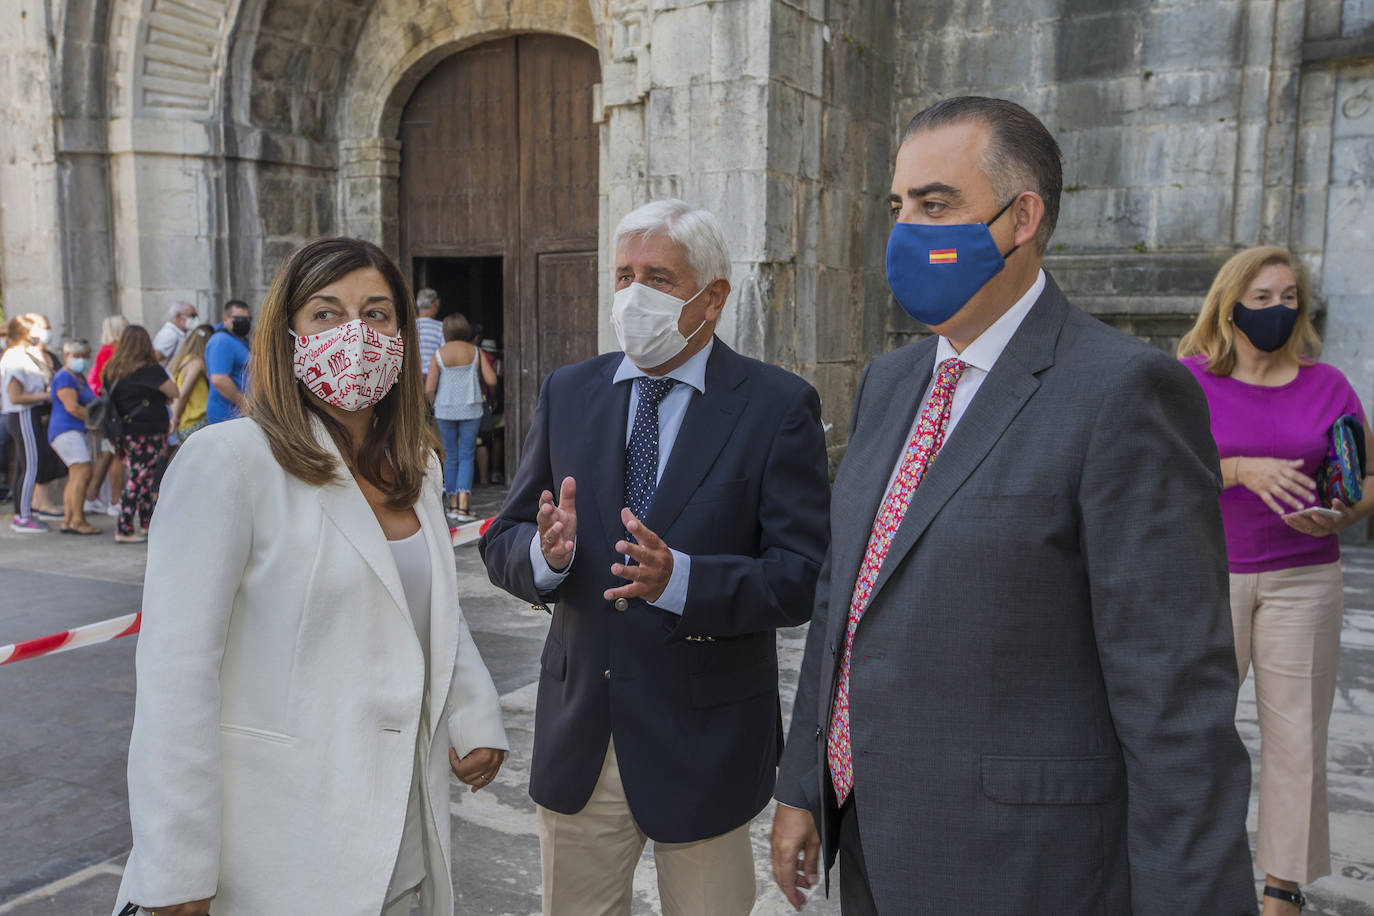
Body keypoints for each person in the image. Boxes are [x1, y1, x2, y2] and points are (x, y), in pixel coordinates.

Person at [770, 96, 1257, 916]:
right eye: (898, 207)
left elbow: (1174, 703)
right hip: (878, 849)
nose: (906, 231)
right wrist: (802, 785)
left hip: (1026, 869)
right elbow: (843, 599)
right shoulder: (892, 384)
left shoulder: (1123, 393)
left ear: (1021, 216)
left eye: (936, 205)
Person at [113, 237, 508, 916]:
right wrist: (175, 869)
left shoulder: (416, 470)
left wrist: (474, 715)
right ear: (287, 333)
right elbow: (177, 675)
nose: (356, 334)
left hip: (400, 842)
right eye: (327, 314)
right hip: (275, 852)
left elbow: (428, 611)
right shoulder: (228, 463)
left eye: (378, 315)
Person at [480, 199, 830, 916]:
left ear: (713, 298)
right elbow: (503, 537)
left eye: (658, 278)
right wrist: (544, 557)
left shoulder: (775, 406)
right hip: (583, 739)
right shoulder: (569, 391)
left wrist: (686, 581)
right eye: (623, 274)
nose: (633, 294)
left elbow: (802, 577)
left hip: (705, 746)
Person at [1177, 246, 1373, 915]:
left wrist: (1347, 508)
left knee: (1296, 741)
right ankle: (1189, 870)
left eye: (1289, 297)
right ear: (1229, 305)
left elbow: (1365, 477)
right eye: (1262, 299)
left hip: (1304, 582)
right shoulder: (1188, 382)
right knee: (1193, 733)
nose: (1278, 310)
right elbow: (1156, 473)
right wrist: (1240, 471)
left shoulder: (1330, 386)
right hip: (1209, 577)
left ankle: (1282, 891)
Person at [101, 325, 178, 543]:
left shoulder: (112, 369)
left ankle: (147, 523)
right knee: (140, 477)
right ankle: (124, 527)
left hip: (123, 432)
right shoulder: (149, 370)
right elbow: (174, 391)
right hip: (148, 430)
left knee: (144, 476)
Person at [426, 312, 496, 521]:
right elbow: (491, 380)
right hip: (471, 408)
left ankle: (453, 504)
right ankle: (464, 506)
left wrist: (432, 405)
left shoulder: (439, 354)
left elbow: (429, 388)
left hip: (445, 410)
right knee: (467, 454)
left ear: (445, 331)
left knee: (449, 455)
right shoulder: (475, 352)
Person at [2, 313, 56, 533]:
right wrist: (46, 397)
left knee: (26, 466)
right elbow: (16, 396)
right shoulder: (15, 357)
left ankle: (23, 513)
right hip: (23, 414)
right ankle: (23, 516)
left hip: (24, 415)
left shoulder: (20, 355)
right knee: (31, 466)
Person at [48, 338, 100, 534]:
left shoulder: (78, 377)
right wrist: (96, 420)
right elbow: (72, 407)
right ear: (66, 356)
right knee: (83, 471)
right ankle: (78, 520)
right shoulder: (65, 377)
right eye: (77, 356)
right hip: (67, 429)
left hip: (74, 430)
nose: (82, 360)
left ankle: (70, 520)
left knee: (76, 473)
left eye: (85, 356)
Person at [86, 314, 129, 516]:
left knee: (108, 454)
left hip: (112, 409)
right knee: (116, 455)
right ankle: (114, 500)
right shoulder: (112, 351)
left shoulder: (108, 351)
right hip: (115, 411)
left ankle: (93, 496)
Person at [204, 299, 252, 424]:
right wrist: (244, 404)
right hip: (227, 416)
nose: (244, 323)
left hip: (238, 415)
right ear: (225, 319)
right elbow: (219, 379)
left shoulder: (239, 340)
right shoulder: (221, 341)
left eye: (247, 319)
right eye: (239, 319)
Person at [168, 324, 214, 442]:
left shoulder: (183, 360)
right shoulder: (196, 364)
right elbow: (183, 394)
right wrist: (175, 418)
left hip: (185, 422)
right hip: (194, 421)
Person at [415, 287, 445, 375]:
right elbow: (443, 353)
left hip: (413, 376)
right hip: (433, 377)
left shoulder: (409, 327)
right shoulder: (441, 327)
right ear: (434, 305)